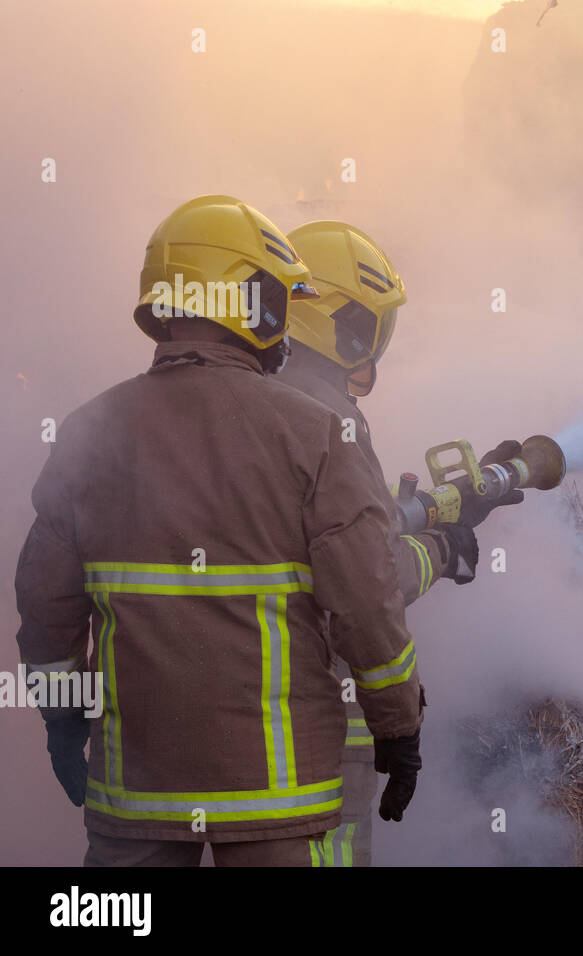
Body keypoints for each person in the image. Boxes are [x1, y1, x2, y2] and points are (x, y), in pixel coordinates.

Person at [15, 196, 423, 866]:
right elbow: (367, 603)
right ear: (249, 299)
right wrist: (399, 728)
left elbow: (45, 610)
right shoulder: (316, 434)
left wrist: (62, 719)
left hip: (135, 799)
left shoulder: (89, 432)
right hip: (278, 799)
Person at [280, 219, 520, 865]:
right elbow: (367, 578)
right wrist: (444, 550)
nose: (373, 347)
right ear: (332, 318)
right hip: (310, 723)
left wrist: (430, 508)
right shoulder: (328, 418)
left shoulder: (250, 395)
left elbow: (328, 529)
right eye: (369, 326)